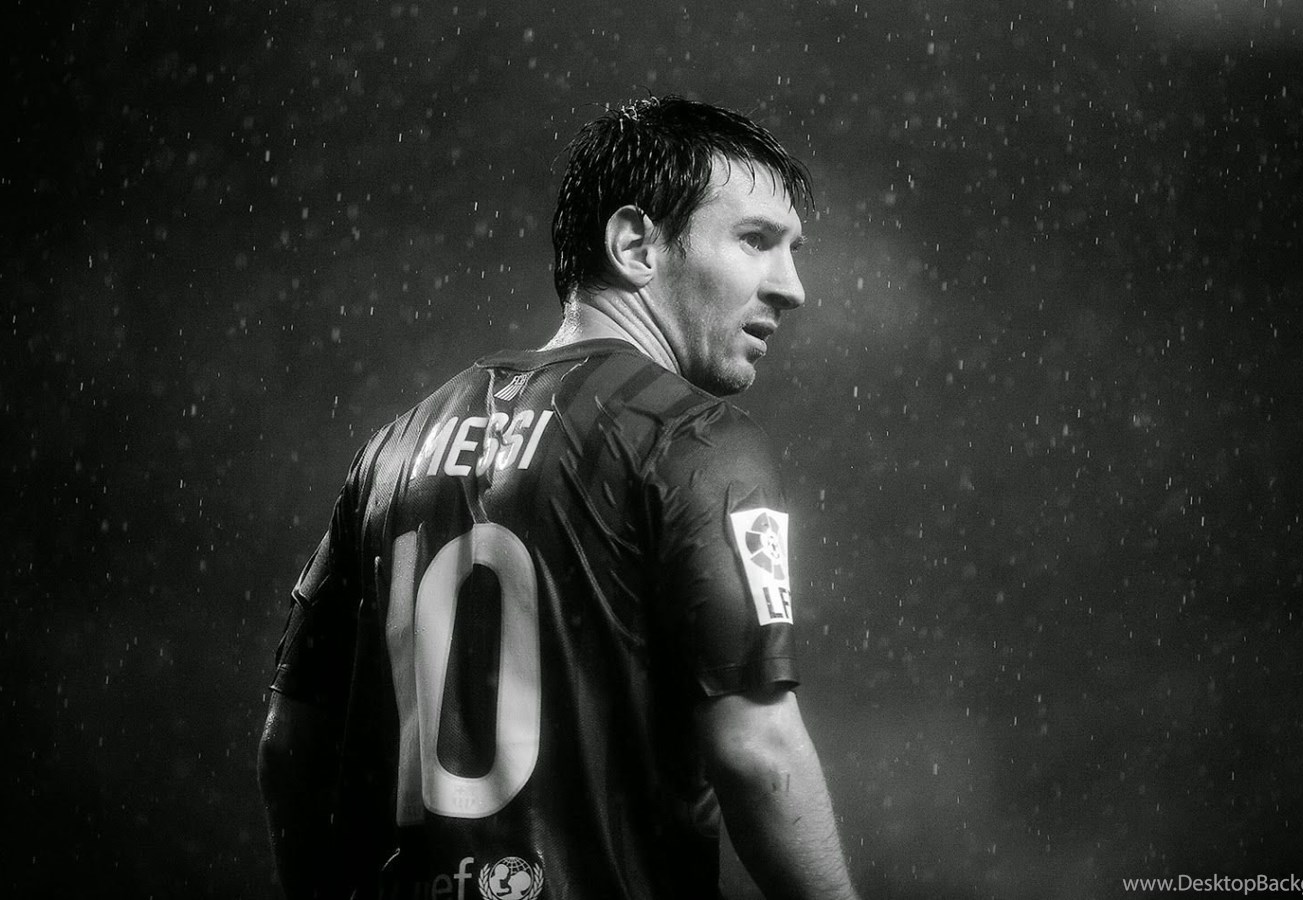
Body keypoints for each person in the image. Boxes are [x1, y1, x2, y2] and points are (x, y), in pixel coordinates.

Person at [259, 95, 860, 900]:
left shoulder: (393, 450)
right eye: (756, 241)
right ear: (634, 244)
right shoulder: (695, 440)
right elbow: (757, 750)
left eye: (793, 250)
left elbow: (290, 742)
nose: (792, 287)